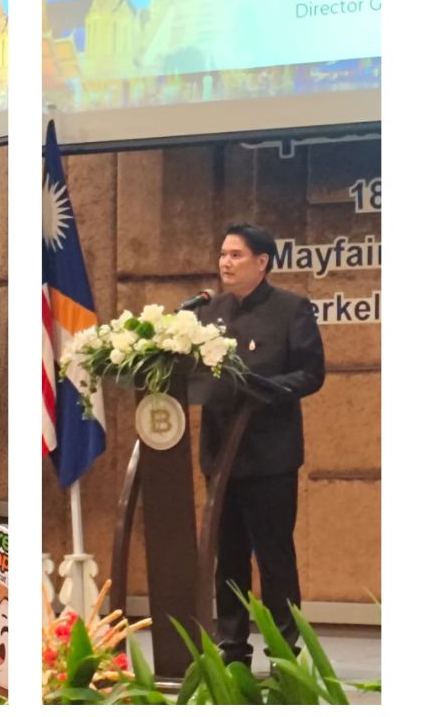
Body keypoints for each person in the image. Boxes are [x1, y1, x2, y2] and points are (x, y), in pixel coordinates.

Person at [196, 223, 325, 668]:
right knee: (228, 558)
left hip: (270, 456)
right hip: (221, 455)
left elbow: (311, 373)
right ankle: (232, 650)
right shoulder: (208, 312)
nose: (225, 263)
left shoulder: (292, 309)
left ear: (262, 262)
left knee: (274, 558)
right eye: (222, 254)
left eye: (235, 255)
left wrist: (265, 388)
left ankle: (284, 653)